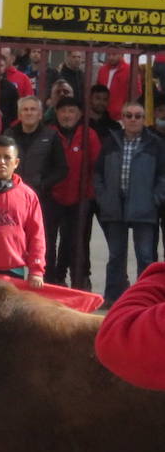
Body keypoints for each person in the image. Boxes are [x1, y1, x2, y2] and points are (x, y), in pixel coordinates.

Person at [95, 101, 165, 306]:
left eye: (137, 116)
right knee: (116, 256)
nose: (133, 119)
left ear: (144, 120)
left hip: (144, 207)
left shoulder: (155, 143)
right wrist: (103, 196)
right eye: (129, 115)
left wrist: (155, 199)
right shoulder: (110, 142)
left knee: (145, 257)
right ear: (122, 118)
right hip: (115, 207)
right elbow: (98, 173)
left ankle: (145, 299)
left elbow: (163, 176)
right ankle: (113, 298)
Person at [46, 97, 100, 289]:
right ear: (57, 113)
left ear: (80, 114)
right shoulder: (49, 133)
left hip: (79, 197)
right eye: (63, 111)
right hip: (52, 196)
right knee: (48, 243)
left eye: (72, 111)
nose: (67, 115)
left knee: (74, 242)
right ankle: (50, 282)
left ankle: (78, 282)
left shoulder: (88, 135)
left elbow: (96, 166)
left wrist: (89, 193)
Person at [6, 95, 68, 209]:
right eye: (25, 109)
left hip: (41, 199)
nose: (29, 113)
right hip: (12, 196)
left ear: (40, 115)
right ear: (19, 115)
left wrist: (43, 185)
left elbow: (61, 169)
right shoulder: (9, 135)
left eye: (33, 109)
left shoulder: (51, 136)